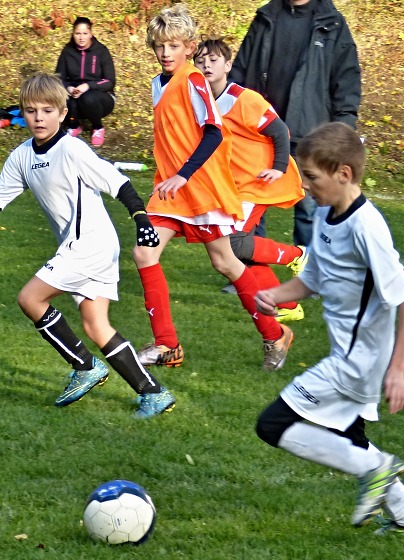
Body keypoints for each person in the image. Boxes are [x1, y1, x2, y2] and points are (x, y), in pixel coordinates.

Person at [0, 73, 175, 419]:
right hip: (85, 245)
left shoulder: (72, 149)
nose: (38, 117)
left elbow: (120, 183)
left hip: (90, 245)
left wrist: (142, 220)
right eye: (31, 110)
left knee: (30, 298)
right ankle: (153, 394)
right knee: (96, 325)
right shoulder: (23, 154)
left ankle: (84, 366)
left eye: (47, 110)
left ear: (63, 112)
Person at [254, 122, 404, 539]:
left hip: (359, 361)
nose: (306, 187)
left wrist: (398, 369)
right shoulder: (324, 215)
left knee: (273, 424)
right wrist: (277, 294)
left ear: (344, 174)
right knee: (348, 435)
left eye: (312, 178)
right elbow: (314, 278)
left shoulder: (366, 227)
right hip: (350, 354)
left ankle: (376, 469)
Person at [132, 4, 295, 373]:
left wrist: (184, 174)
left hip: (200, 188)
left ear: (189, 48)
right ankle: (167, 345)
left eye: (173, 45)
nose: (165, 53)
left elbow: (213, 132)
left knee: (225, 262)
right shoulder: (159, 84)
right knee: (144, 254)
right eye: (159, 46)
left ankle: (274, 334)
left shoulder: (193, 81)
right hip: (170, 191)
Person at [229, 0, 362, 248]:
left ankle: (309, 277)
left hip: (310, 138)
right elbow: (239, 73)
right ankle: (249, 277)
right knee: (250, 210)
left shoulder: (332, 23)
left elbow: (347, 82)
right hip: (259, 135)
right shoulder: (265, 17)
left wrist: (342, 133)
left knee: (311, 212)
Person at [194, 38, 309, 324]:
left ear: (228, 65)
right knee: (239, 253)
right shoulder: (200, 101)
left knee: (231, 245)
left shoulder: (243, 99)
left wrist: (279, 168)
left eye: (214, 60)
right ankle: (287, 305)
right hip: (230, 187)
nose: (206, 65)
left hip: (256, 182)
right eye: (200, 61)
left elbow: (280, 132)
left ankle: (297, 254)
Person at [54, 16, 116, 147]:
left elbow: (110, 81)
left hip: (100, 96)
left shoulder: (101, 51)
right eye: (78, 33)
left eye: (85, 33)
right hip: (74, 94)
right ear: (73, 34)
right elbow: (58, 78)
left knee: (87, 98)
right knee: (57, 96)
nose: (81, 37)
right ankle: (74, 125)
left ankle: (97, 127)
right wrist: (69, 88)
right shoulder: (67, 51)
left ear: (90, 34)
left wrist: (88, 86)